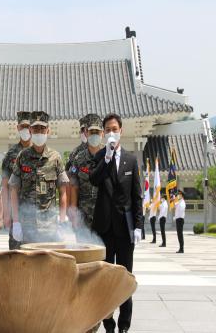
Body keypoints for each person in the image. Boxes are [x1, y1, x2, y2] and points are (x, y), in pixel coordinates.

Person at [89, 113, 142, 333]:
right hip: (104, 228)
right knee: (106, 278)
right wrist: (107, 157)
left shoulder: (131, 159)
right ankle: (108, 323)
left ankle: (124, 325)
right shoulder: (101, 155)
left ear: (121, 130)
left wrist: (139, 225)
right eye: (108, 130)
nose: (112, 133)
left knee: (124, 277)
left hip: (125, 227)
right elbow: (94, 179)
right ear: (104, 133)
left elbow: (136, 195)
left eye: (114, 129)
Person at [9, 111, 69, 244]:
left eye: (42, 129)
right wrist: (17, 222)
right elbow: (14, 190)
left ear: (48, 131)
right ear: (30, 131)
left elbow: (63, 192)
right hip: (27, 225)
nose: (39, 132)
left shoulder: (55, 157)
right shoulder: (22, 157)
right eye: (35, 128)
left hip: (50, 226)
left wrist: (62, 220)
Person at [69, 114, 104, 238]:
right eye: (91, 131)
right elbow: (73, 187)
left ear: (102, 134)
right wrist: (73, 213)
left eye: (97, 131)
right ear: (86, 133)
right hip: (83, 218)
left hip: (105, 217)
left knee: (104, 255)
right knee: (83, 254)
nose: (94, 134)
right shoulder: (78, 159)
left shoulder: (109, 157)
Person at [2, 111, 32, 249]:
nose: (25, 129)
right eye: (22, 126)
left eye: (28, 126)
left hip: (36, 216)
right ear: (17, 128)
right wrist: (6, 214)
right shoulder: (11, 154)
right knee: (15, 257)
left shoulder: (40, 151)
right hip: (17, 215)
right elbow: (5, 186)